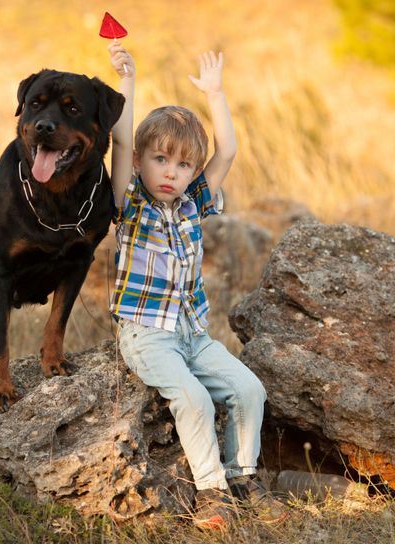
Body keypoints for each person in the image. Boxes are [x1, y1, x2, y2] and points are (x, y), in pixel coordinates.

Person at [107, 42, 286, 530]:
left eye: (183, 165)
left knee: (248, 389)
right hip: (146, 333)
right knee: (194, 399)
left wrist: (216, 93)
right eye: (161, 159)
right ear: (144, 160)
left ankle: (242, 479)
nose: (171, 172)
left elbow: (226, 149)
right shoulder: (132, 204)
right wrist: (127, 81)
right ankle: (212, 495)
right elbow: (121, 142)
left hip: (191, 333)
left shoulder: (192, 203)